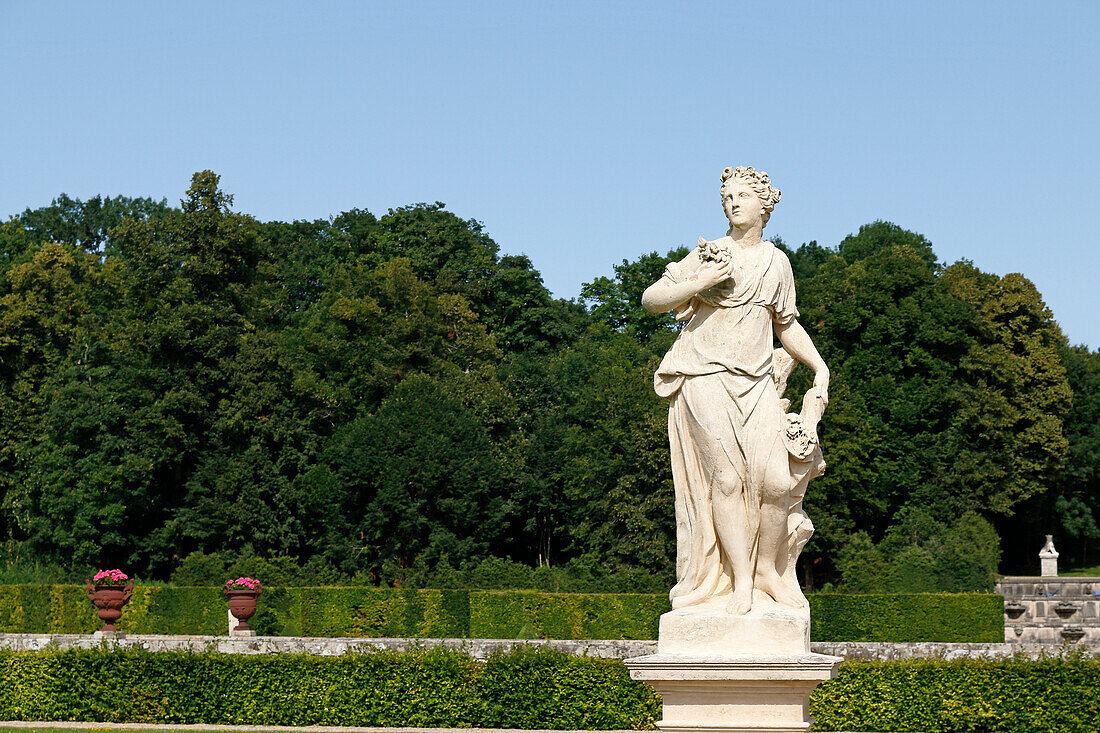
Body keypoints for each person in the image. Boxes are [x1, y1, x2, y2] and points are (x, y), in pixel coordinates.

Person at [641, 166, 829, 615]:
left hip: (757, 381)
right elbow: (652, 300)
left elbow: (786, 324)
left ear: (765, 206)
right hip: (703, 374)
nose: (732, 203)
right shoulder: (709, 255)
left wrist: (819, 366)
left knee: (777, 481)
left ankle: (767, 571)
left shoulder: (777, 262)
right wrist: (699, 283)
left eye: (742, 196)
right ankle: (740, 580)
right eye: (727, 196)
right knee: (725, 480)